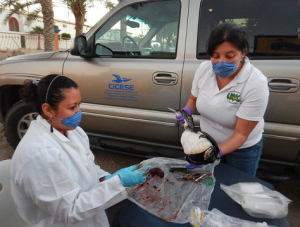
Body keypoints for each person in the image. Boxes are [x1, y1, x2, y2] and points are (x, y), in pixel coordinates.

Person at [10, 74, 150, 227]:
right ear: (48, 110)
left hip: (90, 217)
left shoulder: (74, 132)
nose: (79, 112)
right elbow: (69, 211)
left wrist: (109, 178)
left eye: (79, 105)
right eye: (72, 107)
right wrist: (119, 184)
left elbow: (88, 167)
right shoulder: (39, 154)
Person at [176, 22, 269, 176]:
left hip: (242, 150)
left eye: (230, 56)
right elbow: (193, 99)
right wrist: (187, 111)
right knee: (209, 185)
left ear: (243, 53)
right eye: (215, 56)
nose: (221, 62)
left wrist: (212, 155)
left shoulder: (255, 83)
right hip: (207, 142)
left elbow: (241, 135)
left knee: (238, 189)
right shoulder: (204, 70)